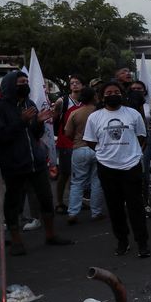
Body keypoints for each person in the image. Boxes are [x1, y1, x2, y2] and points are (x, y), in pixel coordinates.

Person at [0, 71, 73, 255]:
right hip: (14, 163)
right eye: (21, 82)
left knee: (45, 198)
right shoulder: (0, 107)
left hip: (36, 161)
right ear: (10, 85)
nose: (25, 84)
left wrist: (39, 123)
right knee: (13, 202)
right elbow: (0, 136)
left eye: (27, 81)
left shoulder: (30, 103)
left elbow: (33, 134)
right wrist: (22, 121)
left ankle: (51, 235)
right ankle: (17, 241)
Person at [84, 81, 150, 257]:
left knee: (136, 207)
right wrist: (104, 152)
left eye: (116, 91)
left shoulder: (133, 114)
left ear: (122, 94)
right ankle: (122, 241)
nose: (112, 94)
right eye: (108, 92)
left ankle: (142, 243)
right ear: (101, 96)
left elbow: (142, 137)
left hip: (131, 166)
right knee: (115, 207)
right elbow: (91, 141)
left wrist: (131, 153)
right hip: (107, 167)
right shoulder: (95, 117)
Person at [64, 87, 105, 224]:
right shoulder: (101, 113)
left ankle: (72, 212)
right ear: (93, 97)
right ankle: (96, 212)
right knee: (97, 181)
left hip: (79, 148)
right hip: (98, 149)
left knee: (77, 182)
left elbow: (68, 133)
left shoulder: (75, 113)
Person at [52, 74, 85, 214]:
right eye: (72, 83)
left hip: (81, 142)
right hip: (65, 142)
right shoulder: (63, 101)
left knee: (79, 175)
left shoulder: (86, 101)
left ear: (83, 85)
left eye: (77, 82)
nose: (75, 85)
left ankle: (76, 201)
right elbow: (54, 119)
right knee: (64, 174)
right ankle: (59, 202)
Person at [125, 80, 151, 217]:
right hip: (130, 142)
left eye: (140, 88)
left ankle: (145, 202)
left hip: (147, 140)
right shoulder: (126, 106)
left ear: (145, 90)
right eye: (134, 88)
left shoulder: (150, 103)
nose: (137, 90)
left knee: (144, 172)